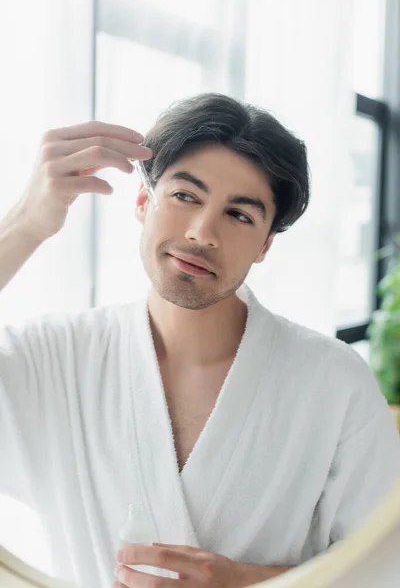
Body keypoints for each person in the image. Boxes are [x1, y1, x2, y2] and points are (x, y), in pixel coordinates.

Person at [0, 93, 399, 588]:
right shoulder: (50, 360)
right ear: (143, 202)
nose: (202, 232)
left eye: (240, 215)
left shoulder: (336, 383)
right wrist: (24, 224)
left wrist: (244, 582)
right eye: (186, 196)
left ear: (265, 245)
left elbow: (386, 565)